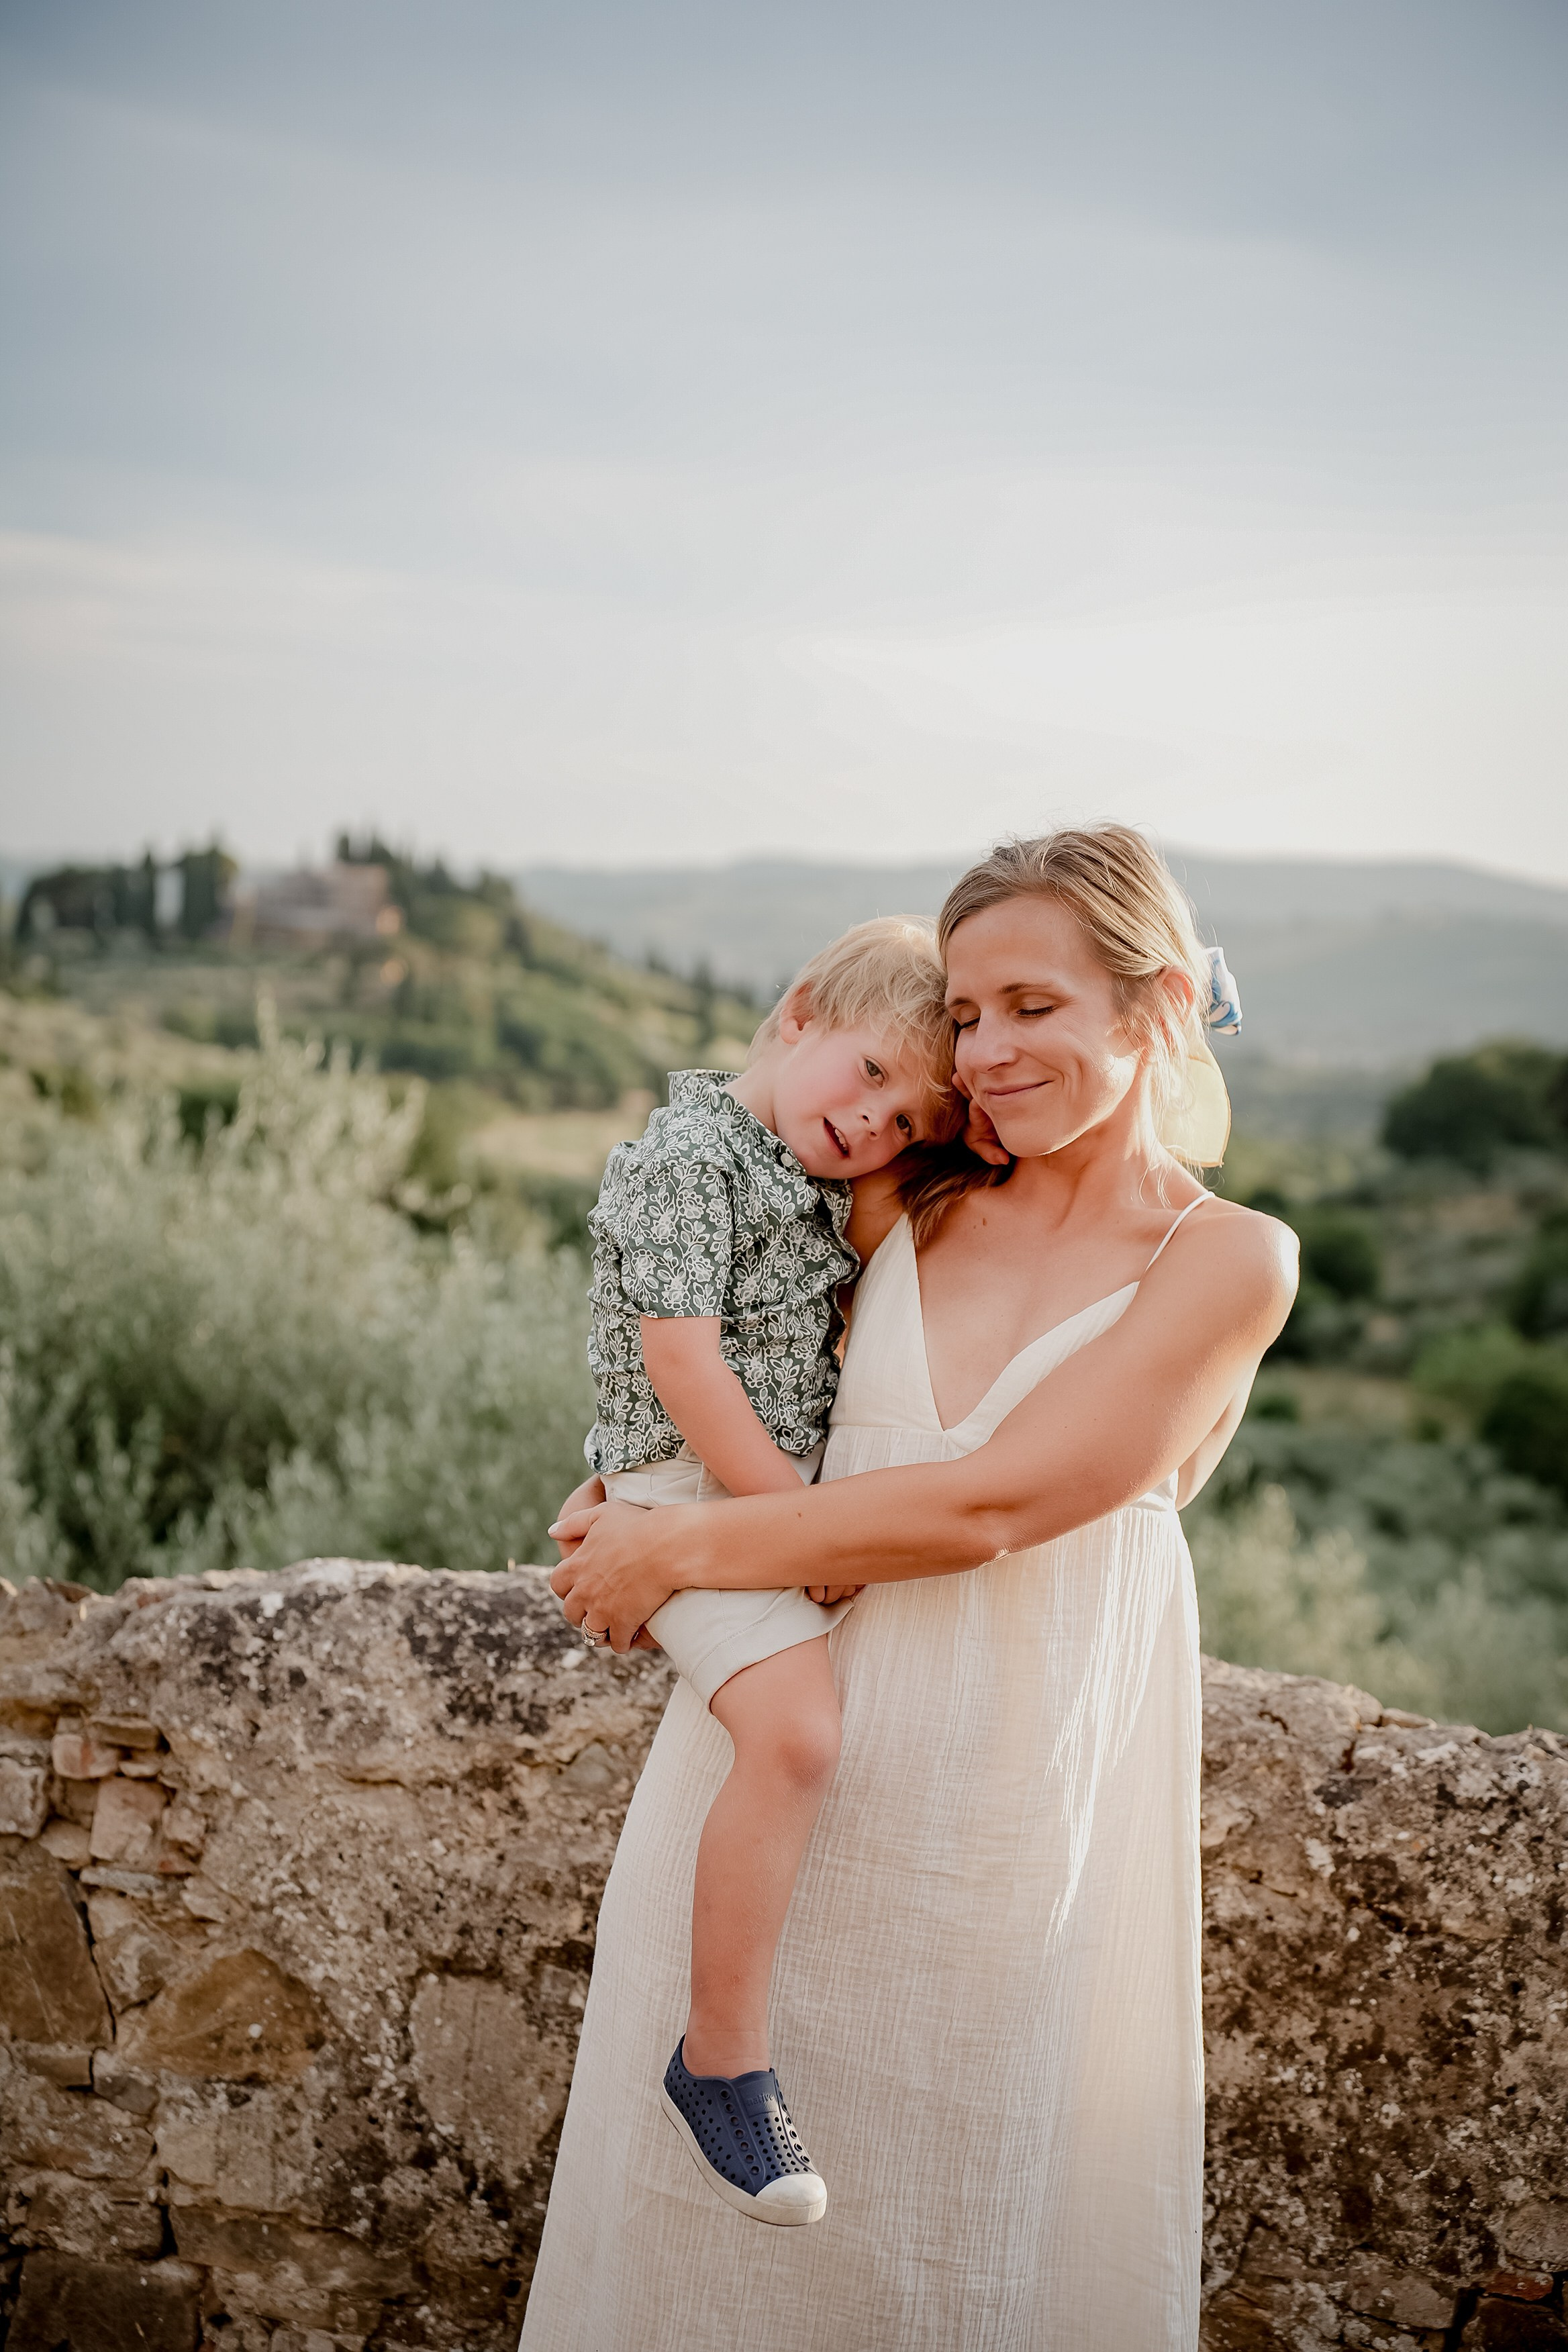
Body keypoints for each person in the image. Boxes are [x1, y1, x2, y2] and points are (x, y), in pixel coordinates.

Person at [524, 827, 1297, 2352]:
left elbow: (990, 1503)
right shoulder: (904, 1199)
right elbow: (730, 1363)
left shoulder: (1230, 1261)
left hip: (1006, 1820)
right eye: (963, 1013)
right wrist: (622, 1485)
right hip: (775, 1786)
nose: (986, 1051)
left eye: (1032, 1007)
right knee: (688, 2268)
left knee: (949, 2242)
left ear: (1149, 1009)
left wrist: (674, 1551)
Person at [579, 917, 959, 2226]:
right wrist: (797, 1521)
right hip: (698, 1488)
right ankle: (719, 2058)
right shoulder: (692, 1157)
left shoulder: (800, 1168)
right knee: (795, 1736)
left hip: (743, 1491)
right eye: (868, 1076)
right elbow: (684, 1369)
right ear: (798, 1014)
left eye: (908, 1121)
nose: (876, 1126)